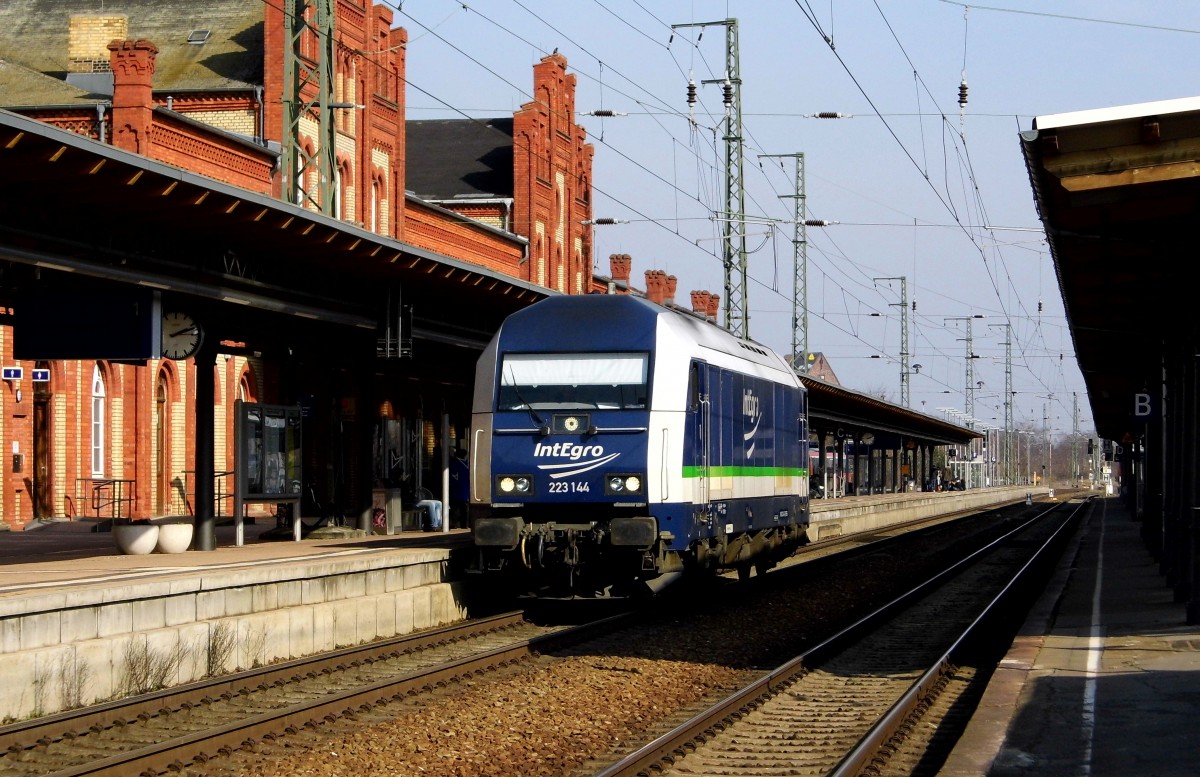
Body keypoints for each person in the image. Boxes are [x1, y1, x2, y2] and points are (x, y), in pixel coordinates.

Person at [449, 448, 470, 528]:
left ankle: (452, 524)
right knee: (464, 509)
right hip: (464, 492)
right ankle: (464, 525)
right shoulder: (467, 464)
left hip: (453, 491)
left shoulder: (452, 463)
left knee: (454, 509)